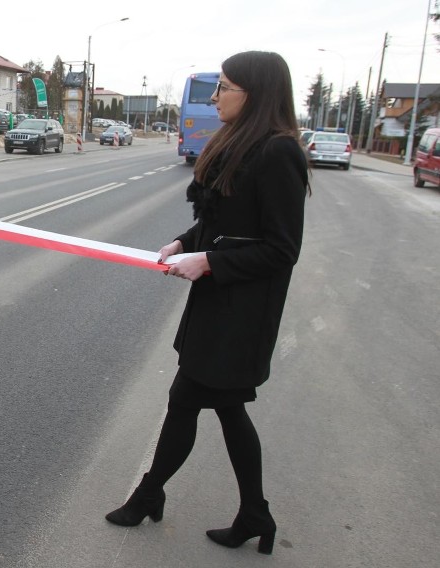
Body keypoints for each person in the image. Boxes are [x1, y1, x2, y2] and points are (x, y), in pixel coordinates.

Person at [104, 51, 309, 555]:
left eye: (224, 88)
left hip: (241, 313)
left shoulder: (279, 151)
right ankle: (255, 513)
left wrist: (211, 262)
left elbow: (282, 249)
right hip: (219, 306)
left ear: (255, 94)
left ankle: (149, 495)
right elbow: (222, 223)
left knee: (187, 400)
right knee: (226, 409)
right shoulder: (242, 144)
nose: (214, 98)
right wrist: (183, 242)